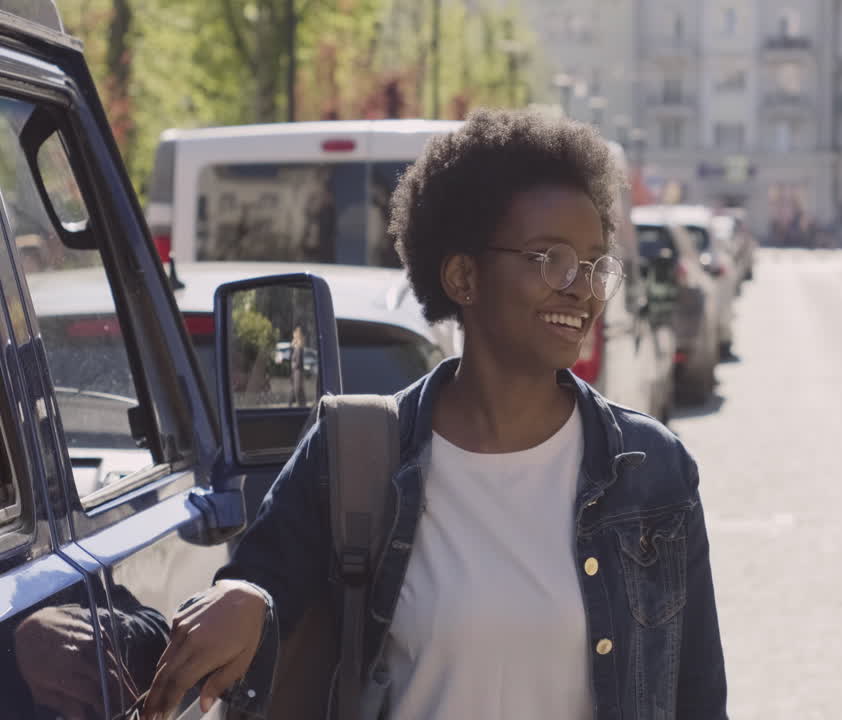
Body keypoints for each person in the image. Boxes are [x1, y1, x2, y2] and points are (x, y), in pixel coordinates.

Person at [140, 108, 728, 720]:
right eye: (551, 259)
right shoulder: (355, 451)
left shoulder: (652, 471)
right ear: (463, 276)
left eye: (594, 263)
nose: (580, 287)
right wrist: (244, 595)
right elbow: (263, 588)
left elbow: (699, 700)